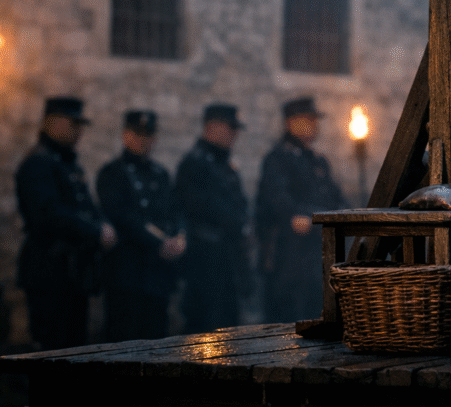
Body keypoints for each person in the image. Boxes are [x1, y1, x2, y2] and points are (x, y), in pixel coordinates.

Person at [15, 96, 117, 350]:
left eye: (80, 124)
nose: (78, 130)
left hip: (72, 273)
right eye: (73, 123)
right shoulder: (38, 163)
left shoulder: (66, 163)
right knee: (53, 347)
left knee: (73, 345)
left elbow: (86, 206)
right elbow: (49, 215)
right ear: (52, 122)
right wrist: (95, 231)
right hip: (50, 270)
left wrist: (103, 226)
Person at [96, 110, 185, 342]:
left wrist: (179, 236)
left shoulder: (160, 174)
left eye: (149, 135)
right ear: (126, 135)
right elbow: (121, 216)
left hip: (157, 273)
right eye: (138, 134)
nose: (144, 141)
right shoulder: (113, 173)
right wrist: (159, 242)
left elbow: (174, 209)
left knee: (156, 336)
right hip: (127, 272)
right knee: (124, 337)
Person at [255, 96, 346, 323]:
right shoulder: (278, 159)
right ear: (291, 123)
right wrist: (303, 215)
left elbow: (336, 198)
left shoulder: (317, 160)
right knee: (289, 317)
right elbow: (278, 198)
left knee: (316, 310)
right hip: (289, 255)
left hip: (316, 252)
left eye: (315, 120)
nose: (314, 125)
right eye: (308, 120)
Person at [171, 103, 250, 334]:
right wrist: (237, 222)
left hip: (229, 258)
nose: (234, 134)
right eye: (230, 128)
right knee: (205, 329)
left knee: (229, 327)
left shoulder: (226, 164)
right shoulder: (194, 164)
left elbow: (239, 203)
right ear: (212, 127)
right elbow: (203, 207)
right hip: (204, 259)